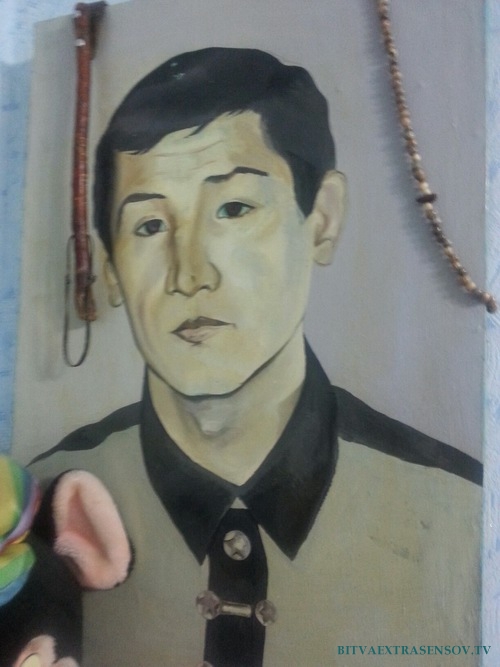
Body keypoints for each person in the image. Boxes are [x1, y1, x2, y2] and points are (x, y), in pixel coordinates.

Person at [30, 48, 481, 667]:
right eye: (150, 226)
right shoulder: (43, 514)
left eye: (234, 209)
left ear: (322, 219)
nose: (191, 274)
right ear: (109, 269)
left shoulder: (465, 522)